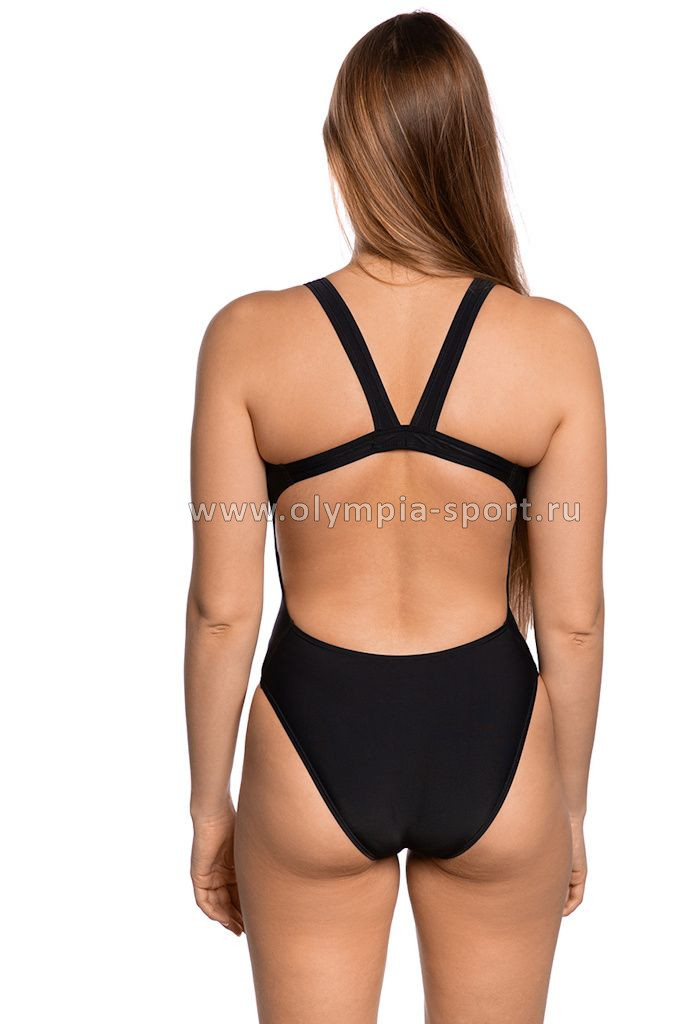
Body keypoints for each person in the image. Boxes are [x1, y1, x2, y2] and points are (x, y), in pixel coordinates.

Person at [184, 11, 606, 1022]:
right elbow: (575, 623)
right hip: (496, 739)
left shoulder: (248, 338)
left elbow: (221, 612)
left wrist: (209, 808)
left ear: (342, 154)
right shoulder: (553, 345)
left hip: (311, 736)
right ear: (472, 154)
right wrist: (569, 806)